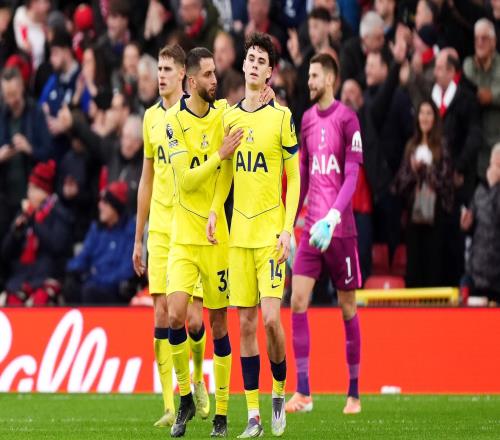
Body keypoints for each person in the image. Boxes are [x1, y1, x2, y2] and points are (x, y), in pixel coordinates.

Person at [214, 32, 300, 438]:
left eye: (261, 60)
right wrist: (214, 211)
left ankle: (279, 392)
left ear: (270, 73)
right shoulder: (229, 117)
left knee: (270, 321)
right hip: (239, 236)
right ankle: (253, 415)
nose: (252, 64)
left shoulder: (281, 117)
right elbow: (225, 174)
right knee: (245, 325)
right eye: (250, 58)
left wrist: (287, 229)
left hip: (270, 236)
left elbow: (294, 177)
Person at [164, 47, 241, 438]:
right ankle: (185, 399)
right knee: (175, 315)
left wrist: (215, 210)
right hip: (183, 237)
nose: (215, 80)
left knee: (218, 323)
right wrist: (218, 154)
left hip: (215, 238)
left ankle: (222, 414)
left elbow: (226, 172)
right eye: (208, 75)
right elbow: (186, 180)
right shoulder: (173, 122)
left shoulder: (224, 113)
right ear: (191, 81)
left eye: (215, 73)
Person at [132, 44, 208, 428]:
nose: (160, 75)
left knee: (193, 319)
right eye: (158, 68)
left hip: (190, 226)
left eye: (167, 69)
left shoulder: (194, 114)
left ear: (182, 75)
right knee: (161, 312)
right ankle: (171, 402)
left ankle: (198, 379)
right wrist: (138, 236)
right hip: (160, 229)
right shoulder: (149, 118)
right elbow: (146, 179)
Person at [286, 53, 363, 416]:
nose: (309, 82)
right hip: (312, 230)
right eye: (309, 76)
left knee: (347, 308)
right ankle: (303, 392)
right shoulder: (305, 119)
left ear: (330, 79)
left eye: (314, 76)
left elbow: (352, 175)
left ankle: (354, 394)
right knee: (297, 302)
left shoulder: (348, 119)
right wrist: (290, 221)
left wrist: (333, 218)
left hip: (340, 231)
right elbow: (303, 173)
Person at [393, 100, 453, 287]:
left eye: (429, 113)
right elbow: (399, 184)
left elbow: (446, 182)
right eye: (422, 113)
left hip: (436, 215)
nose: (425, 117)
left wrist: (426, 170)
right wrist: (413, 172)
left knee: (433, 265)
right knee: (414, 266)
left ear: (435, 118)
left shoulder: (441, 146)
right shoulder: (411, 146)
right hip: (414, 215)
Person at [1, 160, 73, 306]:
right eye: (29, 188)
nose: (29, 193)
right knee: (11, 301)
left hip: (47, 275)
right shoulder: (24, 214)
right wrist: (15, 232)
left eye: (33, 189)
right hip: (22, 277)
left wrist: (34, 221)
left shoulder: (59, 214)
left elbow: (57, 245)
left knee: (40, 300)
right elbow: (5, 252)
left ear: (45, 192)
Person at [66, 181, 135, 304]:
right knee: (70, 288)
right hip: (93, 284)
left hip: (114, 291)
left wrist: (99, 280)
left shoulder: (130, 231)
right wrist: (72, 270)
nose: (100, 206)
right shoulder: (97, 229)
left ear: (115, 206)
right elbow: (83, 255)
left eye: (105, 202)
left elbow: (127, 269)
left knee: (89, 292)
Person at [461, 143, 500, 305]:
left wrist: (495, 187)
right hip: (476, 272)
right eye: (493, 164)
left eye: (499, 165)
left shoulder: (493, 189)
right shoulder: (480, 190)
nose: (494, 170)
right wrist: (466, 225)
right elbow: (471, 225)